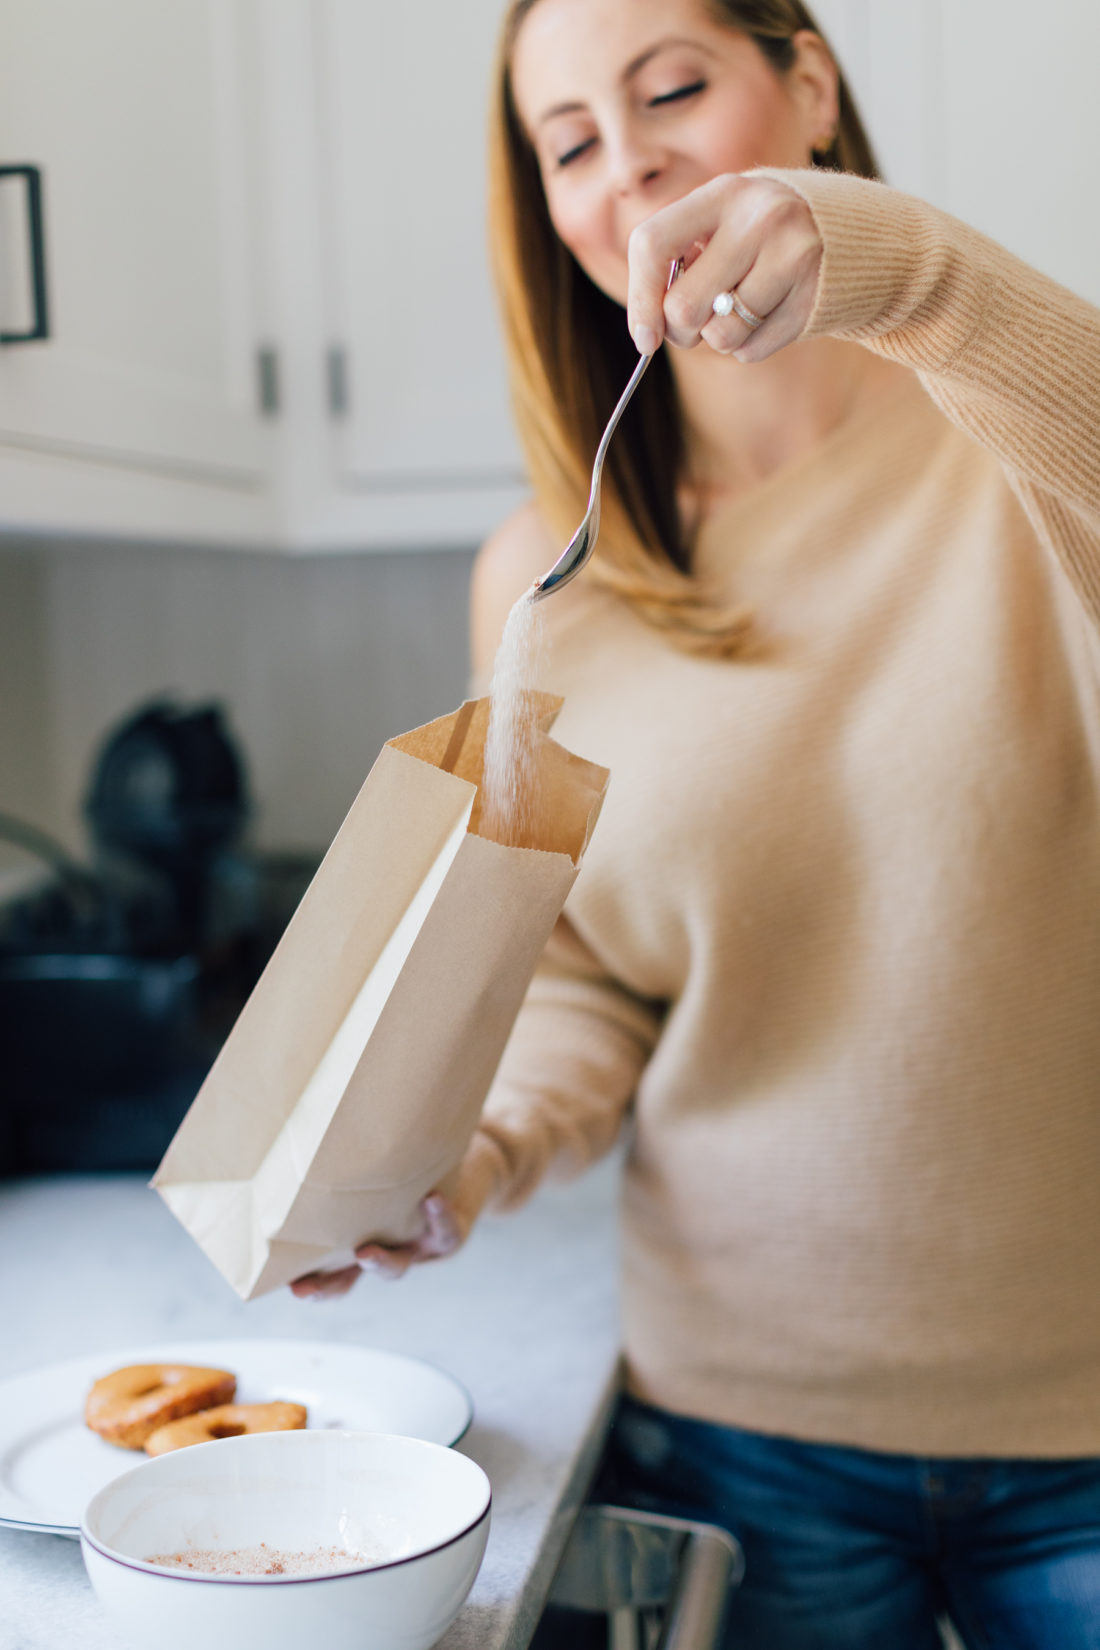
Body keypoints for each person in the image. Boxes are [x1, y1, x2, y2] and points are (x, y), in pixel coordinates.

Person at [292, 0, 1100, 1643]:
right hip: (747, 1428)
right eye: (571, 141)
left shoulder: (1018, 441)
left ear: (808, 85)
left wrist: (909, 269)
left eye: (673, 88)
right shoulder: (548, 573)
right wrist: (465, 1148)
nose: (630, 158)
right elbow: (589, 973)